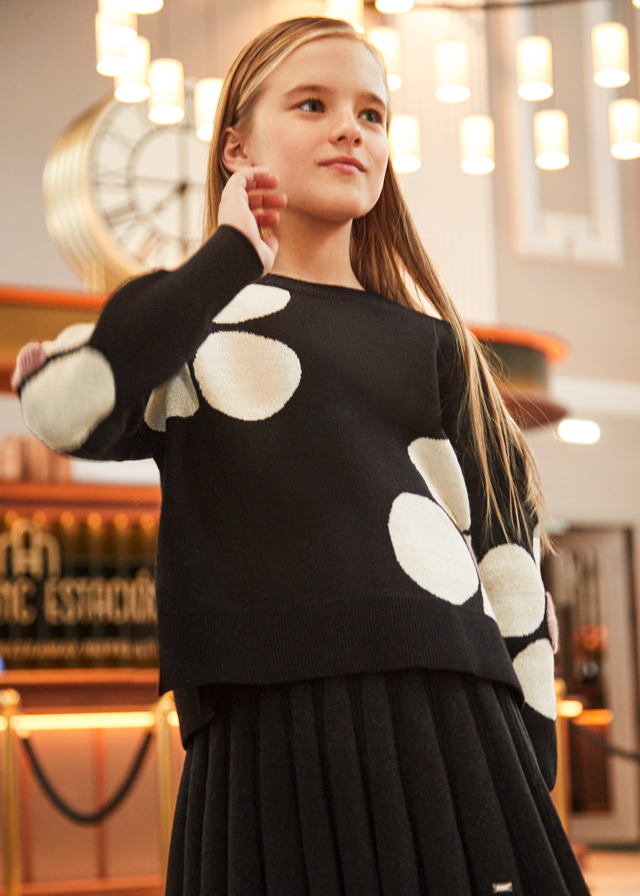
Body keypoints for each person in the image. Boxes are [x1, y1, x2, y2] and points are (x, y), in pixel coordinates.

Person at [13, 15, 592, 896]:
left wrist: (526, 757)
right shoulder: (190, 328)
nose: (350, 129)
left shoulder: (438, 348)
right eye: (314, 104)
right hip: (263, 731)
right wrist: (228, 257)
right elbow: (61, 405)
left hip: (455, 727)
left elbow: (509, 563)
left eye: (373, 114)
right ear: (236, 146)